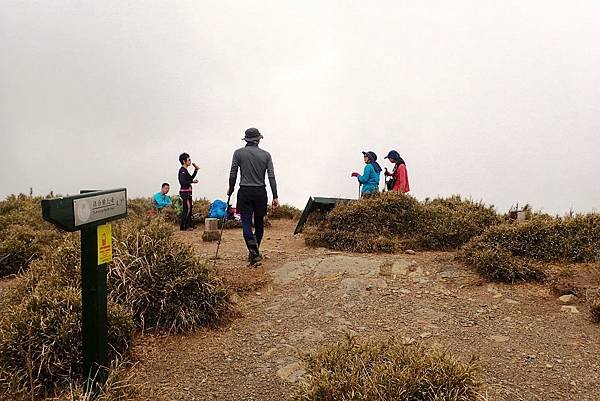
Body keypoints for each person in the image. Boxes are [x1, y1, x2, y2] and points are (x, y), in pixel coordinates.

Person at [228, 128, 279, 265]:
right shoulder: (266, 155)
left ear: (246, 139)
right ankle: (255, 252)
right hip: (260, 192)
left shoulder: (238, 153)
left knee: (245, 222)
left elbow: (233, 173)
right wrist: (275, 196)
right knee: (259, 223)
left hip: (244, 191)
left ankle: (254, 252)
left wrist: (231, 189)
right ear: (258, 139)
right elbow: (271, 176)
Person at [178, 152, 199, 230]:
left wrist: (196, 170)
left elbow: (190, 179)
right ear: (184, 161)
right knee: (187, 209)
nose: (190, 161)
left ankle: (189, 224)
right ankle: (183, 226)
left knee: (190, 208)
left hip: (188, 192)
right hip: (184, 192)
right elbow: (182, 182)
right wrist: (192, 182)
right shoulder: (182, 171)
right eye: (189, 160)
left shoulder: (185, 170)